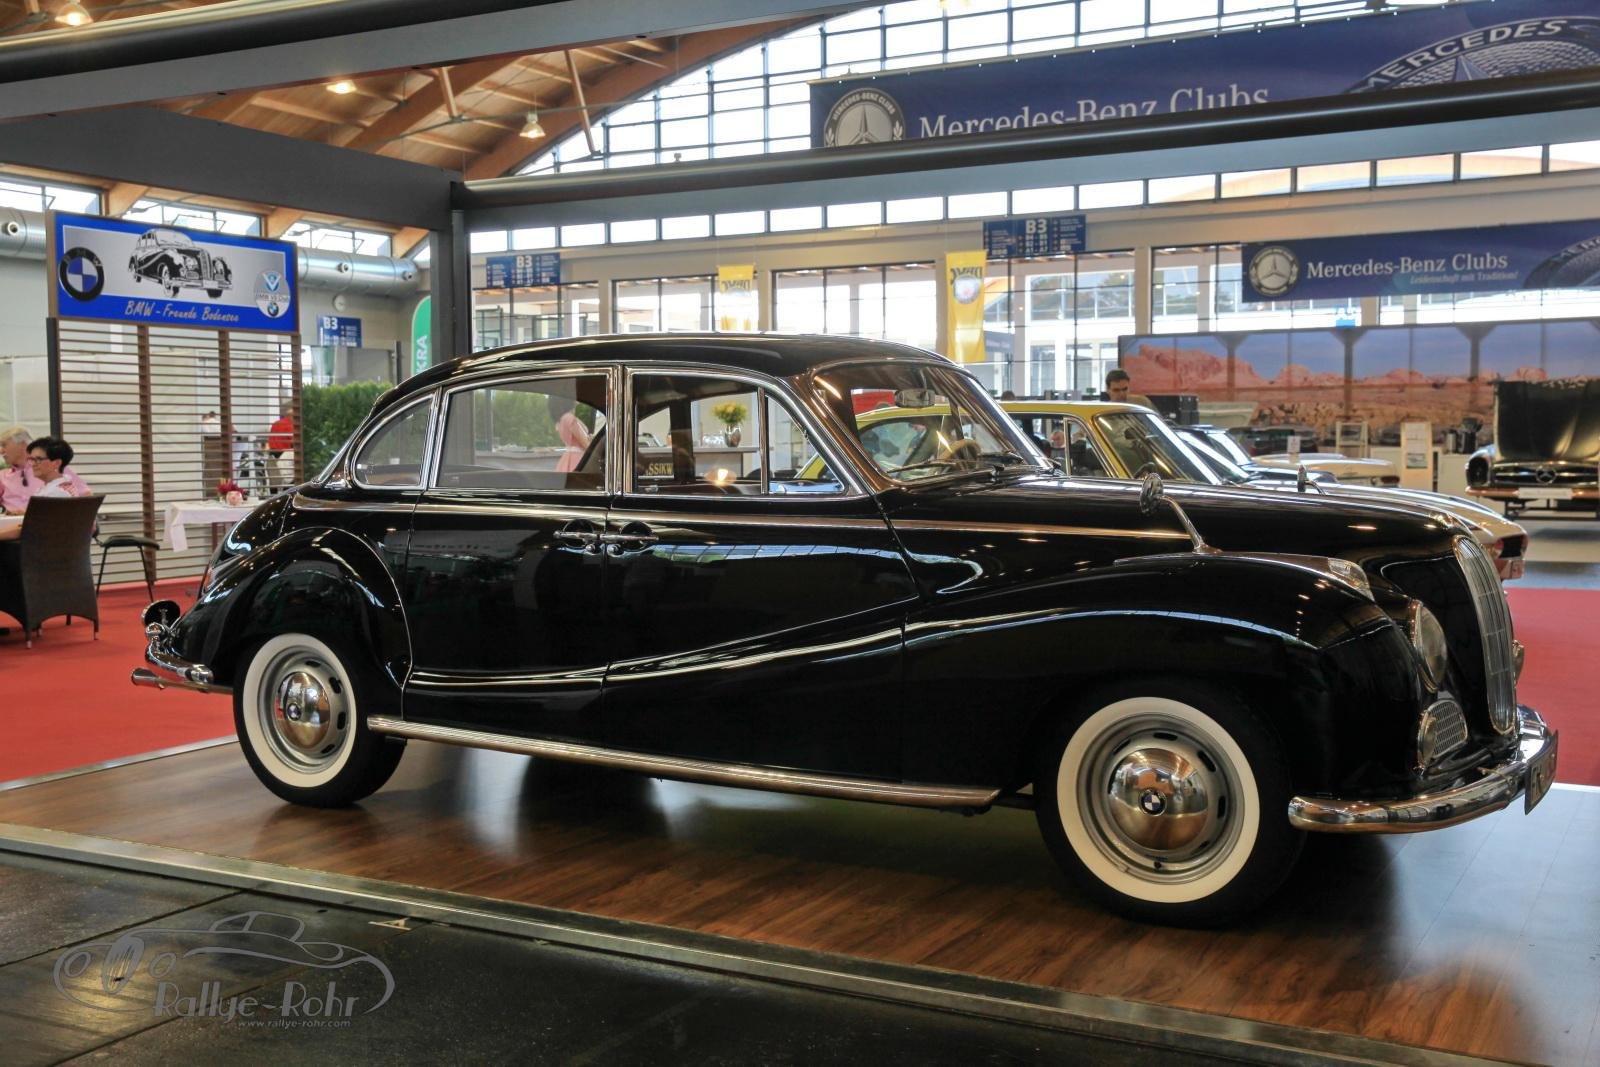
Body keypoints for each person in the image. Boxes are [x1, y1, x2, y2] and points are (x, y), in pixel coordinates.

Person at [0, 436, 88, 541]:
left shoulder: (55, 493)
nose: (33, 465)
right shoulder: (62, 486)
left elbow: (25, 530)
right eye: (31, 460)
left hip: (42, 547)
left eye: (38, 460)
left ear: (56, 463)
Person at [1, 425, 90, 514]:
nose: (1, 451)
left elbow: (86, 495)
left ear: (22, 444)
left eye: (4, 445)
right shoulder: (2, 475)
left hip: (47, 520)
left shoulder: (54, 468)